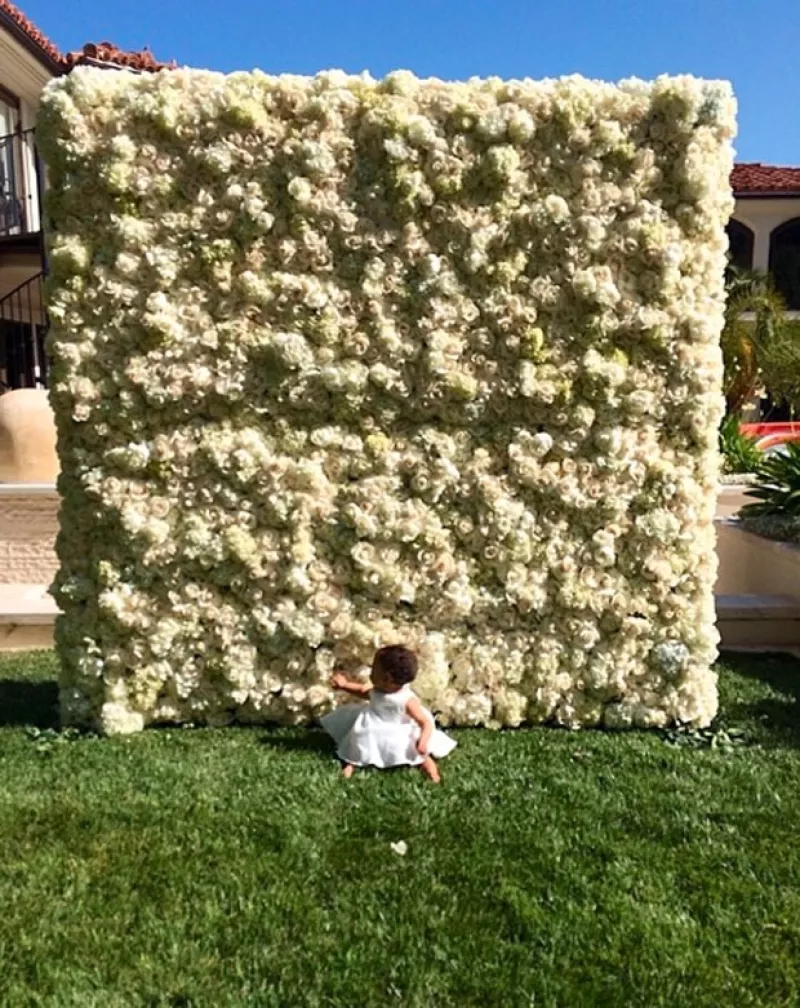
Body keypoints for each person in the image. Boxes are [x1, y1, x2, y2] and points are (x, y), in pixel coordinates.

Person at [321, 645, 456, 783]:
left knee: (418, 754)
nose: (370, 673)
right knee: (360, 739)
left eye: (374, 670)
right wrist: (344, 685)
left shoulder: (406, 700)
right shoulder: (377, 690)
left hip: (398, 728)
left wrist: (423, 740)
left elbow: (425, 722)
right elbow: (361, 691)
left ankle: (432, 773)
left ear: (387, 679)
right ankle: (352, 762)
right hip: (372, 724)